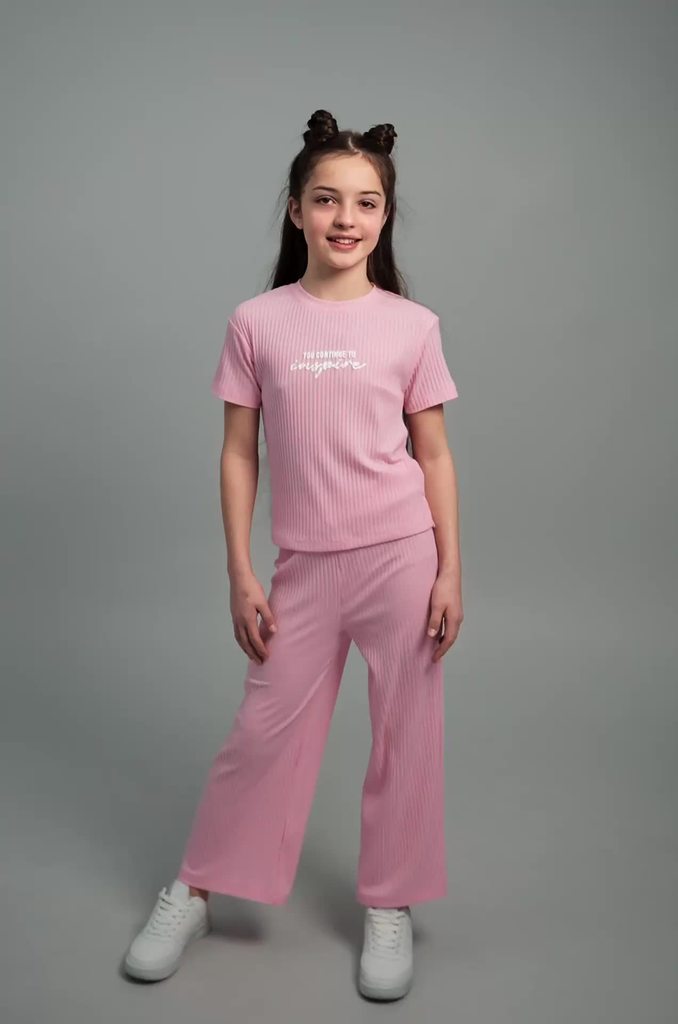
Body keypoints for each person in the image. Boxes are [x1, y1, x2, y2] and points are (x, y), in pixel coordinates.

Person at [123, 109, 463, 1001]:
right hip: (303, 567)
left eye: (366, 203)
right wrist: (239, 570)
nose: (346, 218)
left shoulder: (412, 325)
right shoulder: (257, 322)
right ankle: (195, 889)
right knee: (262, 736)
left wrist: (451, 570)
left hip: (401, 557)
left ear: (385, 216)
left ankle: (389, 902)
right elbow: (239, 452)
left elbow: (433, 455)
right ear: (296, 209)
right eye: (326, 199)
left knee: (407, 735)